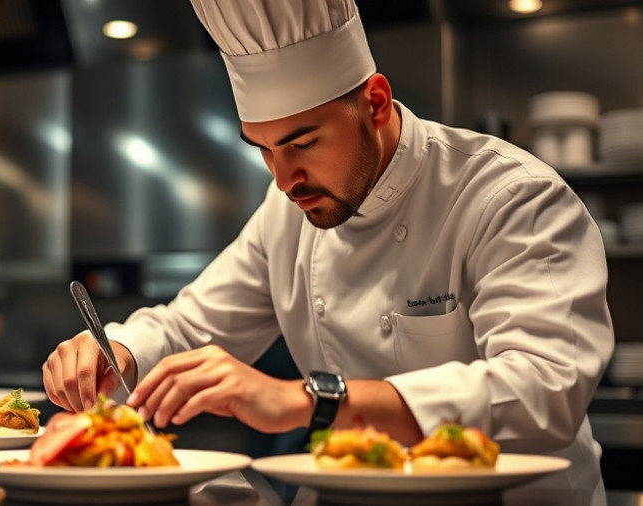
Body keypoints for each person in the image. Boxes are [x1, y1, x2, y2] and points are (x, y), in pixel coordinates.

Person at [43, 0, 613, 500]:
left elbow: (546, 389)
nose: (285, 178)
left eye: (303, 142)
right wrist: (118, 350)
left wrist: (315, 402)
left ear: (377, 102)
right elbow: (191, 325)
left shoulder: (510, 196)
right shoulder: (287, 210)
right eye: (264, 150)